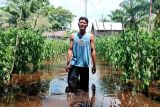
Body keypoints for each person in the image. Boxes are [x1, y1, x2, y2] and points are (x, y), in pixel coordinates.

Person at [65, 16, 96, 92]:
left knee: (84, 89)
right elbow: (70, 49)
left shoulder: (90, 36)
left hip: (85, 65)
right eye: (81, 22)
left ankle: (82, 101)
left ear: (87, 25)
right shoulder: (73, 36)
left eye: (84, 23)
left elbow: (93, 51)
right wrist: (68, 63)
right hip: (74, 64)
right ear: (78, 24)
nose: (82, 24)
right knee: (71, 87)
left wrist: (94, 65)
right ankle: (72, 102)